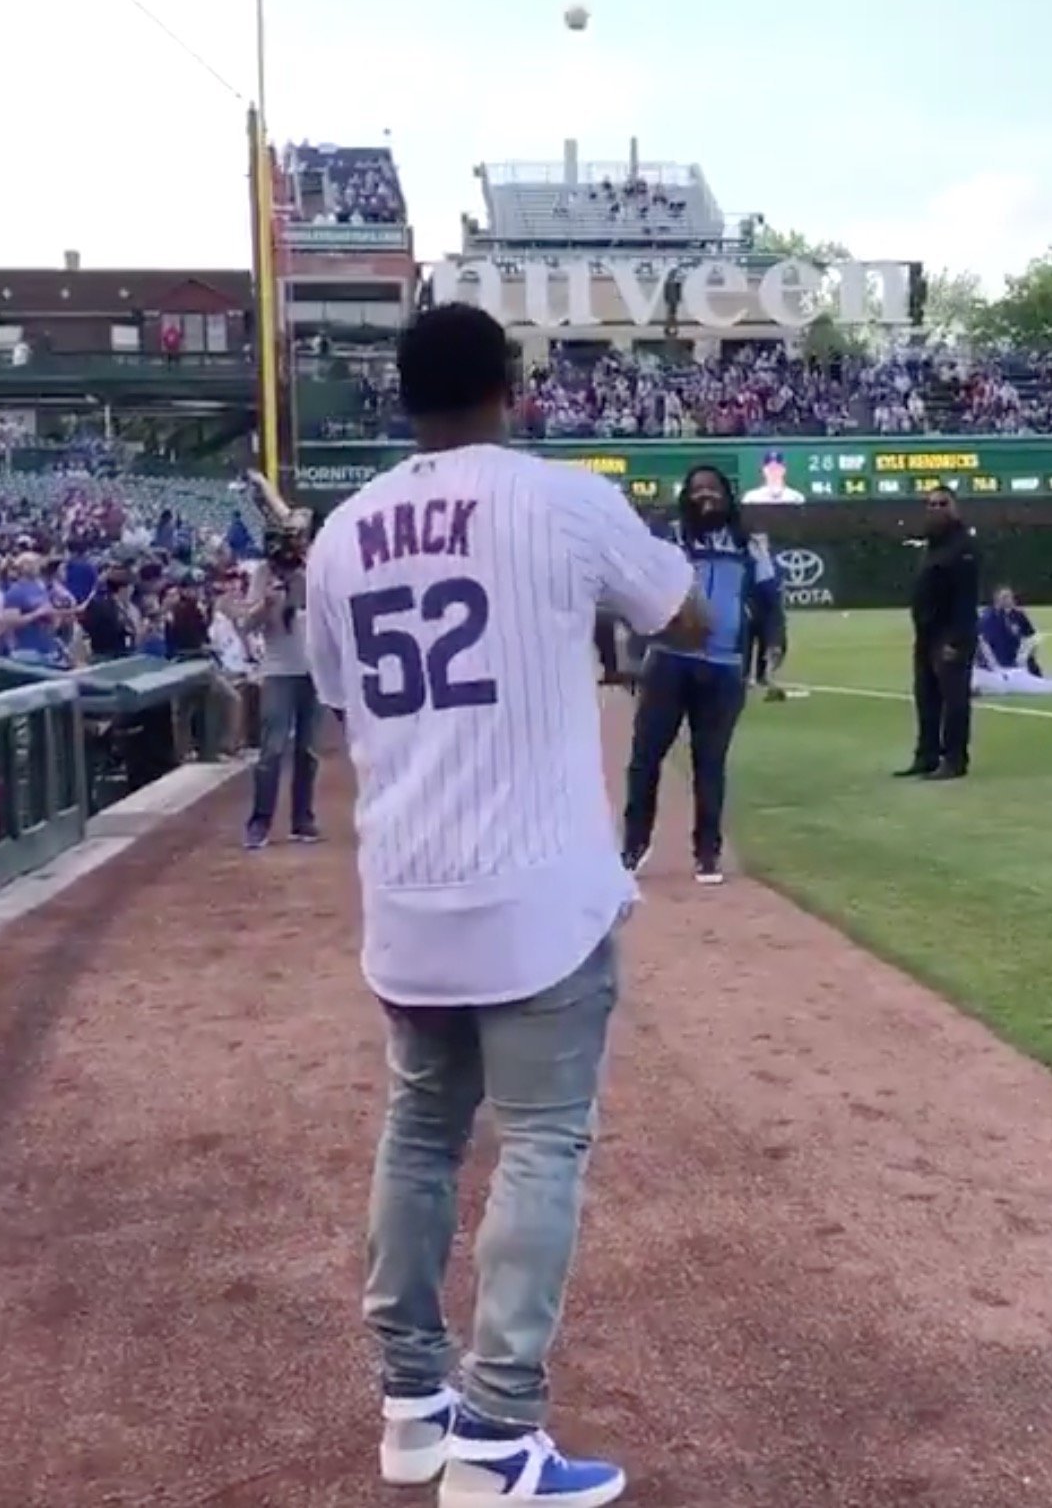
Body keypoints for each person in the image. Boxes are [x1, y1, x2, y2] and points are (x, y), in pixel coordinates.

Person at [304, 303, 701, 1508]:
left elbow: (335, 704)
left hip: (407, 885)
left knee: (420, 1134)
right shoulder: (558, 495)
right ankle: (498, 1437)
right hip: (537, 888)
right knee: (540, 1142)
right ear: (511, 385)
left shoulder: (340, 532)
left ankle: (412, 1408)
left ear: (403, 398)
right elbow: (683, 612)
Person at [620, 463, 783, 886]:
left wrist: (774, 643)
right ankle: (634, 843)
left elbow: (768, 599)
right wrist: (635, 646)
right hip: (669, 658)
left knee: (710, 762)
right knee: (645, 758)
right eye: (696, 490)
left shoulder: (749, 543)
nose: (704, 496)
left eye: (712, 489)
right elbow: (638, 587)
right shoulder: (668, 536)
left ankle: (707, 851)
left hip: (725, 665)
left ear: (727, 495)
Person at [241, 517, 322, 850]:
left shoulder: (312, 571)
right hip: (278, 670)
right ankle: (260, 820)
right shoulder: (263, 575)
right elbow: (247, 624)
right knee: (272, 748)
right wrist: (267, 603)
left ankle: (302, 818)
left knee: (308, 749)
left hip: (311, 670)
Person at [898, 486, 981, 780]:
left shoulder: (963, 547)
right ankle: (927, 754)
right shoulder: (933, 544)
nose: (935, 508)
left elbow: (965, 598)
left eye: (941, 503)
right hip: (927, 633)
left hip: (949, 634)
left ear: (953, 507)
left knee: (954, 700)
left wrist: (956, 640)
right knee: (926, 696)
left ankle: (955, 759)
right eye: (930, 504)